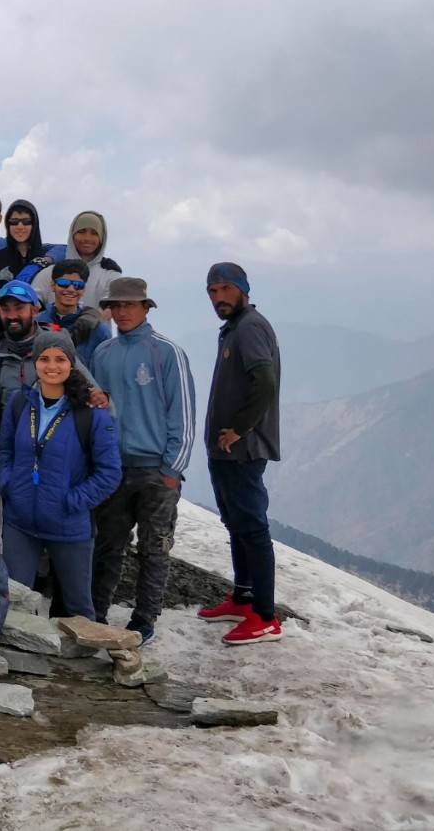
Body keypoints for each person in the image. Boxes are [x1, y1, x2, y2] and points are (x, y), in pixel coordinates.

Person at [89, 278, 195, 644]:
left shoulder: (167, 353)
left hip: (155, 469)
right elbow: (98, 408)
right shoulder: (104, 353)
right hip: (115, 466)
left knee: (155, 547)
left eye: (130, 305)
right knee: (108, 544)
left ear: (146, 308)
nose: (122, 312)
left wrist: (172, 470)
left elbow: (182, 414)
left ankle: (145, 620)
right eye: (116, 305)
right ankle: (96, 613)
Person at [0, 331, 122, 620]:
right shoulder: (19, 404)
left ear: (72, 364)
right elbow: (4, 451)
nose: (52, 366)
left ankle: (81, 663)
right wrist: (8, 485)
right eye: (44, 359)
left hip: (69, 524)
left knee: (78, 607)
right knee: (13, 602)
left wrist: (72, 501)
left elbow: (110, 473)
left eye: (60, 359)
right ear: (34, 364)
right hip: (21, 522)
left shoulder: (91, 414)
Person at [198, 262, 284, 646]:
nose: (219, 298)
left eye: (225, 289)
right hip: (227, 449)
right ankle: (243, 597)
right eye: (213, 292)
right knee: (236, 522)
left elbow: (265, 381)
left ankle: (265, 616)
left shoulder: (250, 327)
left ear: (243, 289)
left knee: (252, 526)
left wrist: (239, 429)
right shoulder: (235, 327)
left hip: (243, 448)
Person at [0, 280, 105, 444]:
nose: (12, 315)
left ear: (35, 310)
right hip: (15, 451)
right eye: (5, 309)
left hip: (60, 448)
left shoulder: (58, 348)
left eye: (19, 308)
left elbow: (97, 402)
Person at [31, 210, 122, 309]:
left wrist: (91, 320)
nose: (87, 238)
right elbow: (31, 303)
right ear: (72, 235)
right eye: (81, 232)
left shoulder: (110, 274)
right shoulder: (50, 272)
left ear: (101, 239)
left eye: (94, 233)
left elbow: (112, 308)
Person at [35, 258, 112, 354]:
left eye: (78, 285)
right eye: (64, 283)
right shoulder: (37, 323)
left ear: (83, 290)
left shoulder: (98, 330)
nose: (71, 289)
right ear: (52, 286)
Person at [0, 198, 61, 288]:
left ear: (34, 225)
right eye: (14, 222)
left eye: (26, 222)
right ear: (7, 225)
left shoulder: (50, 258)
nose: (20, 226)